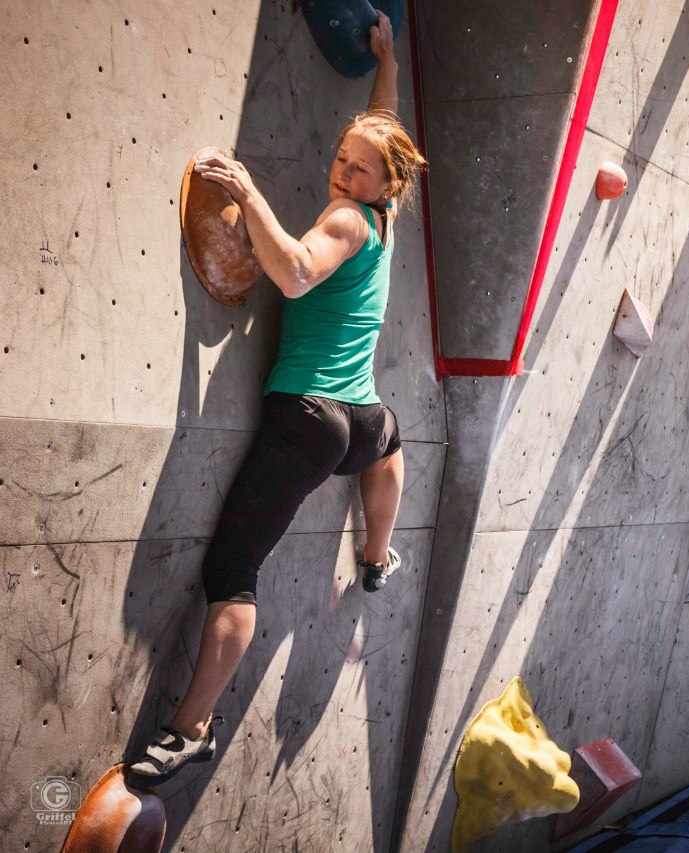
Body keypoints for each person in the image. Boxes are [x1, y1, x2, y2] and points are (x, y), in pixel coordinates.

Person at [128, 11, 425, 785]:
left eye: (358, 171)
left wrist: (250, 192)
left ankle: (188, 727)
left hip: (307, 423)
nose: (341, 173)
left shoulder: (346, 222)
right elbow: (383, 124)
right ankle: (376, 555)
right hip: (358, 421)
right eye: (340, 159)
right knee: (392, 441)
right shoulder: (388, 211)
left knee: (233, 569)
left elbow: (293, 271)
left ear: (384, 187)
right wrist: (386, 62)